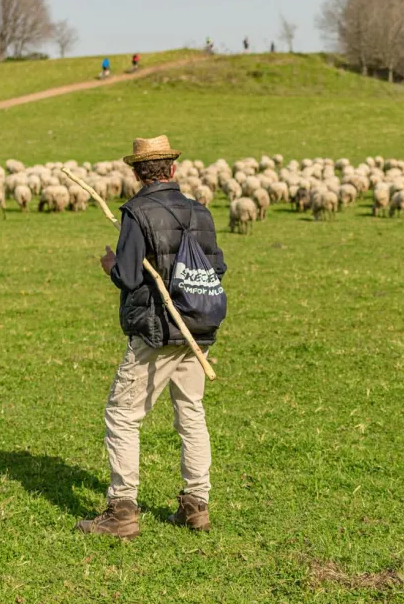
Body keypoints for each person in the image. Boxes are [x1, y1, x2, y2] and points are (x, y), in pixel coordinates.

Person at [76, 136, 227, 539]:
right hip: (198, 328)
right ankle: (197, 504)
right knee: (190, 412)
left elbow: (127, 275)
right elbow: (216, 269)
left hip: (157, 331)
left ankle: (122, 510)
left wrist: (110, 263)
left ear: (136, 173)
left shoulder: (137, 212)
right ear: (172, 170)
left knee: (123, 415)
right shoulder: (200, 211)